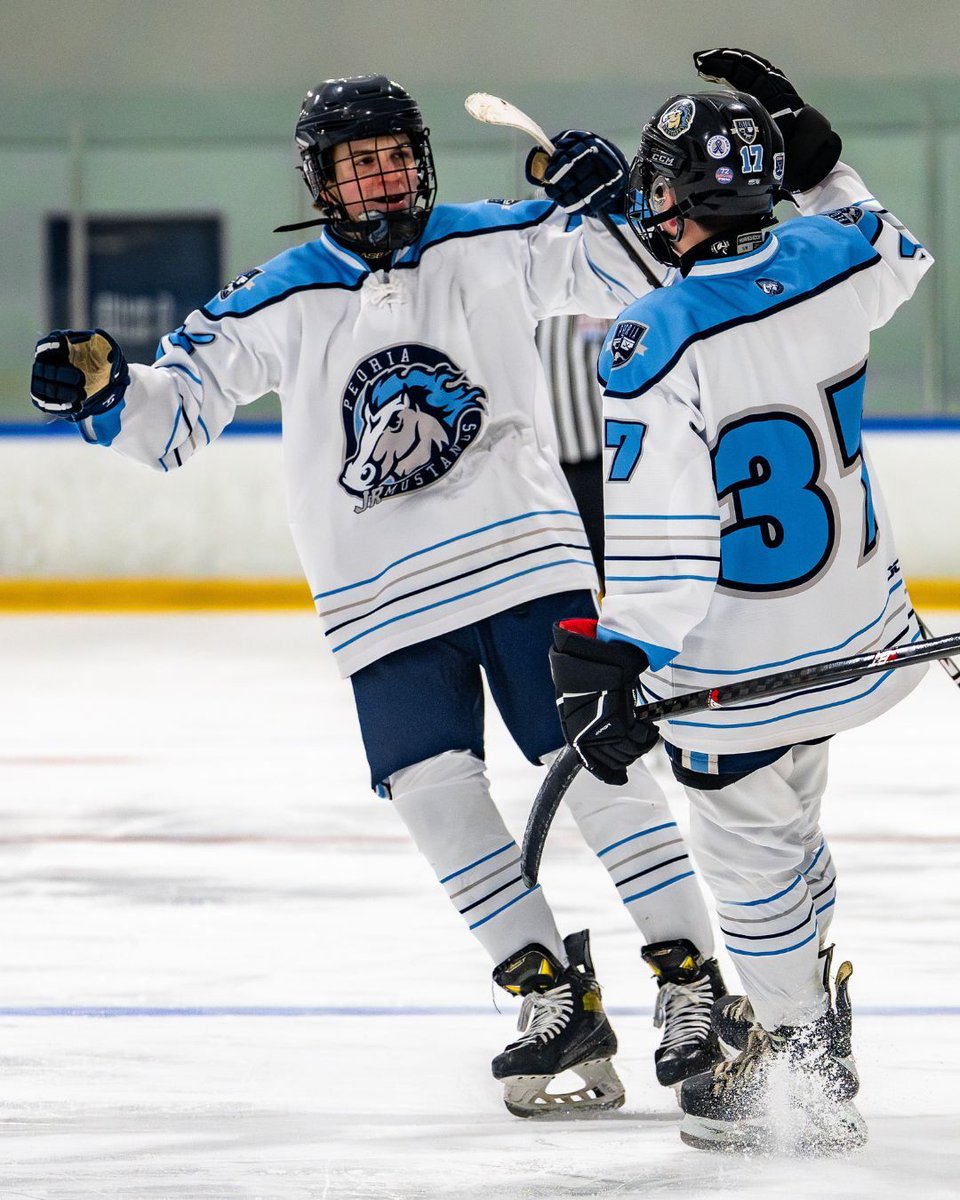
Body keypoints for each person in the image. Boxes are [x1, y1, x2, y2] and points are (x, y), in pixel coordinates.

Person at [30, 75, 726, 1116]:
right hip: (380, 599)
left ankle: (691, 982)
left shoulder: (493, 239)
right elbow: (178, 416)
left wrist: (611, 191)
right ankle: (550, 995)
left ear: (423, 158)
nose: (382, 175)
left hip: (525, 561)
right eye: (359, 161)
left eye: (396, 154)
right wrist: (105, 392)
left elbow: (636, 271)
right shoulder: (277, 293)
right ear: (321, 179)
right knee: (433, 800)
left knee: (594, 769)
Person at [548, 48, 932, 1151]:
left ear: (674, 196)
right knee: (792, 828)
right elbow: (897, 249)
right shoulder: (836, 251)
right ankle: (803, 1019)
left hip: (737, 665)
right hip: (860, 631)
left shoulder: (654, 332)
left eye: (655, 185)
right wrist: (825, 169)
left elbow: (664, 540)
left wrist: (618, 652)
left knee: (749, 861)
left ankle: (806, 1077)